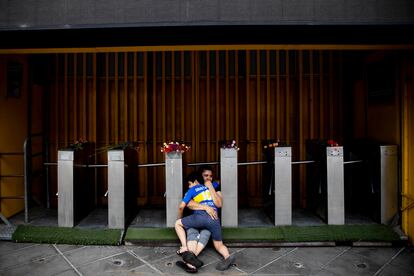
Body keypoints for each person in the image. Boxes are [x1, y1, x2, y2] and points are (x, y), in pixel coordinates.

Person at [175, 171, 235, 272]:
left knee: (177, 223)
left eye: (189, 184)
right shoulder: (210, 187)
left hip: (200, 217)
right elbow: (218, 182)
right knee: (219, 244)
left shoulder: (193, 189)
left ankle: (184, 248)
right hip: (215, 219)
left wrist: (181, 220)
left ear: (195, 181)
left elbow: (181, 207)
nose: (189, 186)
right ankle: (227, 257)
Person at [177, 166, 221, 258]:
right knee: (192, 232)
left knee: (206, 232)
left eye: (210, 176)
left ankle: (191, 258)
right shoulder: (192, 189)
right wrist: (206, 207)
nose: (208, 178)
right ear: (200, 177)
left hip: (209, 219)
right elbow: (186, 205)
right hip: (196, 218)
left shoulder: (212, 186)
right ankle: (191, 256)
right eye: (206, 176)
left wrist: (211, 186)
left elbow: (219, 183)